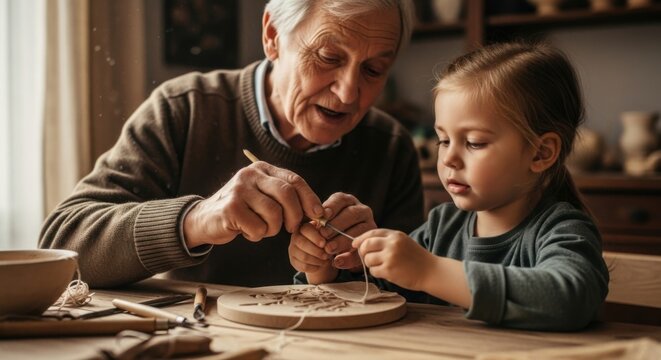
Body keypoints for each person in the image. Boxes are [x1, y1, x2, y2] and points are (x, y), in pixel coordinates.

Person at [39, 0, 424, 288]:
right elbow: (62, 247)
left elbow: (418, 302)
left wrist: (367, 264)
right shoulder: (183, 109)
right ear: (272, 37)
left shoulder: (390, 146)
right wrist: (197, 219)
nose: (347, 93)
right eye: (328, 57)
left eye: (373, 69)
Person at [291, 42, 610, 331]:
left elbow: (569, 298)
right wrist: (325, 270)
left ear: (541, 153)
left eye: (474, 143)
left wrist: (429, 271)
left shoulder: (562, 229)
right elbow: (374, 297)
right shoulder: (442, 227)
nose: (449, 159)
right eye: (444, 140)